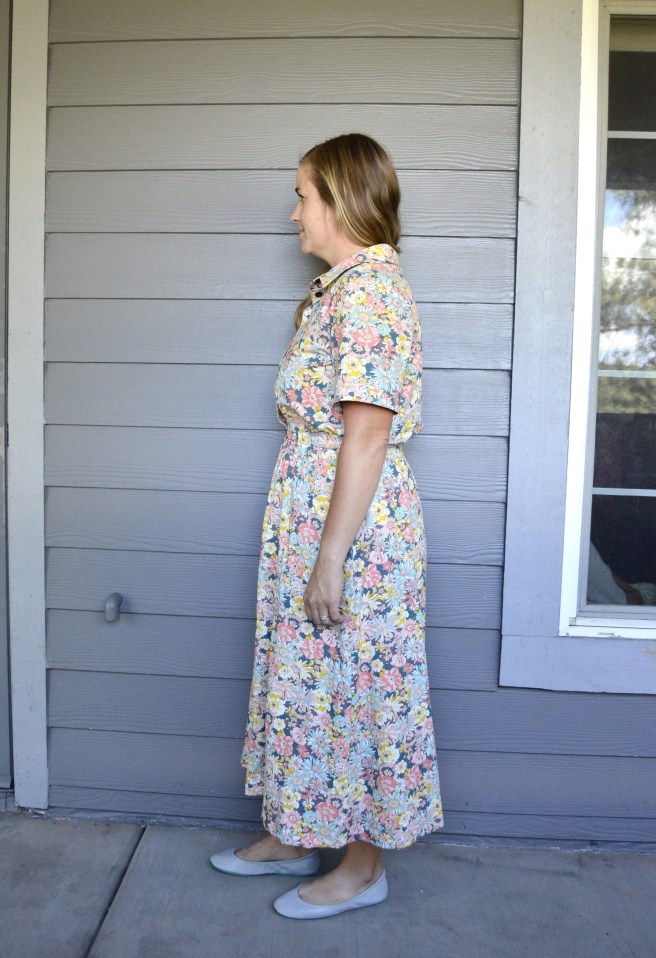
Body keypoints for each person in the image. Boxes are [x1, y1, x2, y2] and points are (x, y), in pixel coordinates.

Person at [210, 133, 444, 919]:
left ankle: (363, 867)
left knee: (362, 686)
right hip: (313, 513)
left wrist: (331, 557)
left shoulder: (371, 293)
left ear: (341, 200)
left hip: (356, 533)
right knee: (309, 680)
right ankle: (297, 830)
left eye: (303, 195)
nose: (293, 213)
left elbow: (367, 435)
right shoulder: (339, 291)